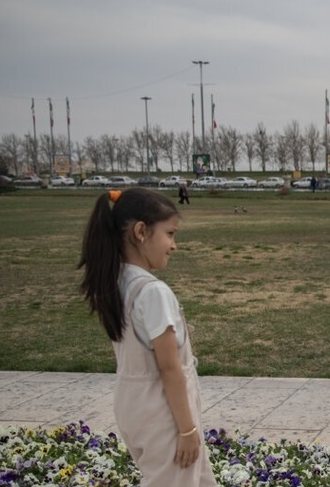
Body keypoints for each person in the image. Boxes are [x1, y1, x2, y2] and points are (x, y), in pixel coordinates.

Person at [77, 188, 216, 486]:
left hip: (134, 405)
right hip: (163, 413)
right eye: (170, 234)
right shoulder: (153, 292)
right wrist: (187, 430)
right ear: (141, 232)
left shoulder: (115, 281)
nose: (174, 245)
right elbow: (169, 368)